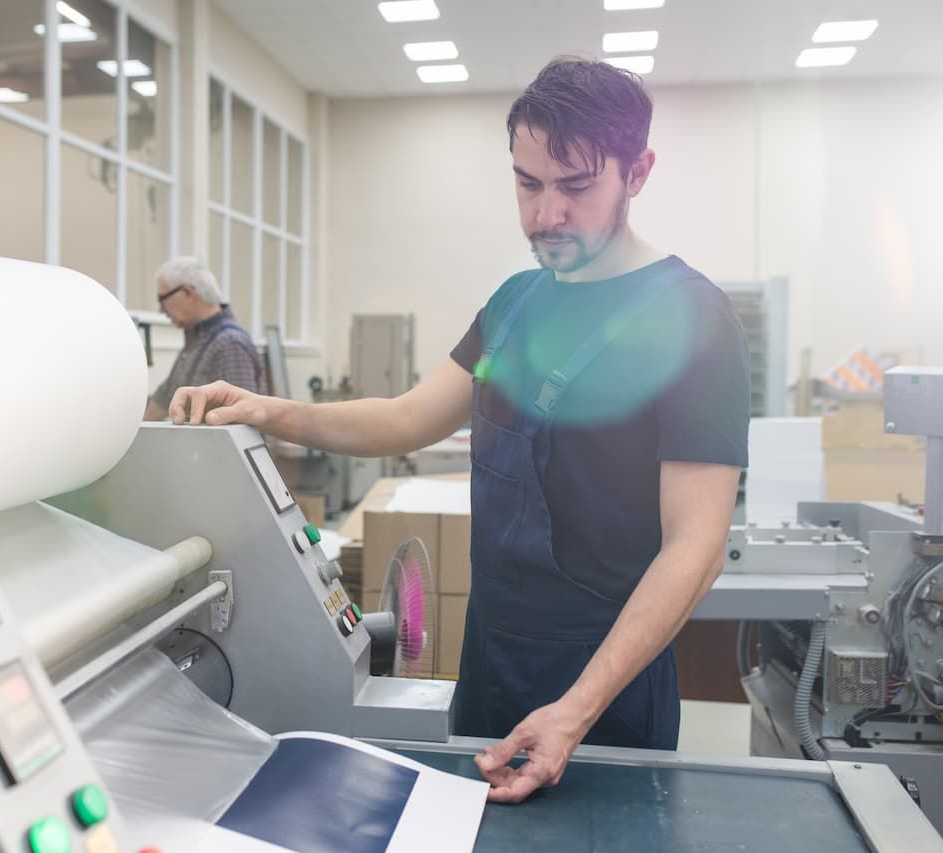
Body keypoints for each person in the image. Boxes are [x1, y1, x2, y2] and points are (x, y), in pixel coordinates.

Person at [167, 56, 750, 803]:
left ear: (638, 172)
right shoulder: (514, 303)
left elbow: (695, 547)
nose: (547, 215)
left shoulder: (694, 319)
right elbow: (408, 416)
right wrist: (265, 410)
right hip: (490, 665)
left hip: (605, 697)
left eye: (576, 186)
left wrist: (575, 710)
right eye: (528, 183)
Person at [142, 257, 267, 421]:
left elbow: (241, 422)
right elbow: (164, 397)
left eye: (162, 300)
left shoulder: (230, 344)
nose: (161, 311)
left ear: (188, 293)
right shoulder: (196, 340)